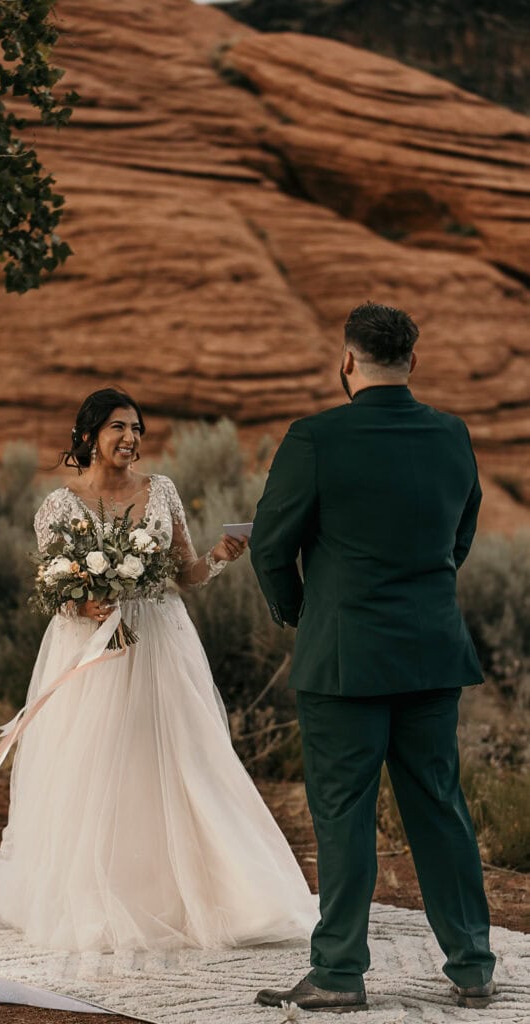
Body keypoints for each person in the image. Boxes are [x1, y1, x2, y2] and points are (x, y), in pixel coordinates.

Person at [0, 387, 319, 952]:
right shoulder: (58, 506)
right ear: (89, 434)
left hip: (160, 640)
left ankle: (215, 893)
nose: (131, 438)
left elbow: (183, 572)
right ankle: (99, 890)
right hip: (89, 650)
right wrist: (81, 604)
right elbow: (51, 585)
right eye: (119, 427)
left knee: (183, 756)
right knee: (96, 761)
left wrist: (217, 557)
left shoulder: (160, 491)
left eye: (137, 428)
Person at [250, 302, 496, 1013]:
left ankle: (337, 973)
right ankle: (473, 965)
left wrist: (299, 611)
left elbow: (270, 546)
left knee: (343, 814)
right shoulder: (452, 435)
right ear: (412, 361)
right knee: (439, 807)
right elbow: (460, 534)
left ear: (347, 360)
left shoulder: (316, 436)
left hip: (343, 657)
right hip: (430, 652)